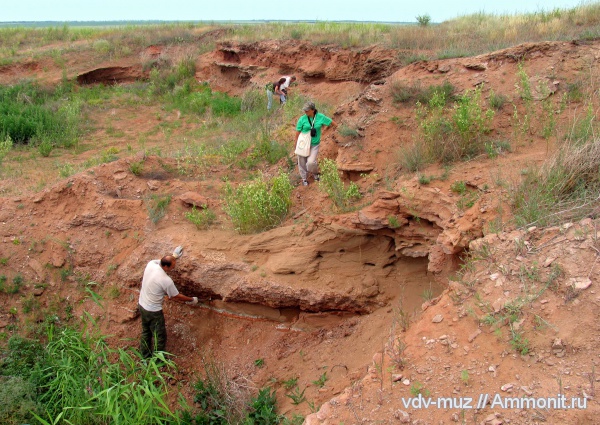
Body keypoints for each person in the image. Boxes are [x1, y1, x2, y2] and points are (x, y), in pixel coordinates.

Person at [138, 254, 198, 359]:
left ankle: (145, 356)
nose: (173, 268)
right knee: (159, 335)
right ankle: (158, 360)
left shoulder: (151, 264)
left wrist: (173, 256)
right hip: (153, 311)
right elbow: (175, 295)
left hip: (142, 304)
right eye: (172, 266)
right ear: (166, 267)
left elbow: (160, 260)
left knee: (146, 331)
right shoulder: (166, 280)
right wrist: (192, 300)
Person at [295, 101, 337, 186]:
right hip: (303, 144)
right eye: (304, 110)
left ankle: (315, 174)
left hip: (314, 144)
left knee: (310, 162)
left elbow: (332, 123)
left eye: (307, 110)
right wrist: (296, 144)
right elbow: (297, 132)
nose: (305, 112)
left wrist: (337, 132)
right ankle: (304, 179)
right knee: (302, 162)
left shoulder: (320, 117)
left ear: (313, 110)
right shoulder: (302, 119)